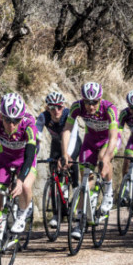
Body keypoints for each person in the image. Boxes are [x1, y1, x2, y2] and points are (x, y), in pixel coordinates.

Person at [0, 93, 37, 265]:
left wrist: (19, 179)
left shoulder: (29, 126)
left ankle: (23, 212)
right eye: (8, 120)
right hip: (5, 159)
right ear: (1, 116)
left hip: (25, 160)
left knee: (24, 186)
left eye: (16, 120)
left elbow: (30, 155)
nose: (11, 125)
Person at [61, 82, 119, 239]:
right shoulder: (76, 107)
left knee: (102, 158)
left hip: (108, 140)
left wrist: (107, 157)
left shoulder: (109, 108)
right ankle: (80, 222)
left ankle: (108, 191)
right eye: (87, 102)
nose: (91, 106)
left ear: (100, 100)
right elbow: (67, 129)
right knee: (85, 178)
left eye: (94, 102)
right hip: (90, 140)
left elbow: (114, 137)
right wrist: (65, 152)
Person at [35, 90, 81, 228]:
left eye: (59, 107)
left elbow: (72, 137)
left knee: (72, 168)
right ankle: (56, 213)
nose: (56, 111)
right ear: (47, 108)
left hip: (73, 143)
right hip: (56, 144)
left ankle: (77, 202)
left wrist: (67, 155)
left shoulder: (69, 115)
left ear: (64, 106)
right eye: (52, 107)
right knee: (54, 177)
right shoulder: (43, 117)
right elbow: (37, 139)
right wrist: (33, 155)